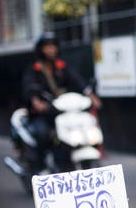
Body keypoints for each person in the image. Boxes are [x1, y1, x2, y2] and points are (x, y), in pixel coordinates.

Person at [21, 32, 101, 173]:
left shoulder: (61, 66)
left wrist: (91, 96)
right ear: (41, 49)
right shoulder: (34, 68)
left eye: (53, 46)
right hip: (44, 113)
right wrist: (36, 101)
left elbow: (77, 81)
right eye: (47, 47)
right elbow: (29, 86)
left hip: (63, 111)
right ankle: (39, 168)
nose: (51, 50)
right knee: (43, 134)